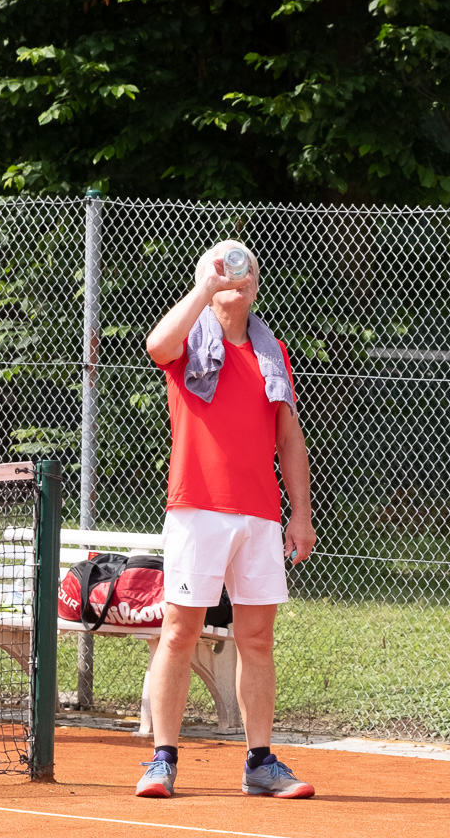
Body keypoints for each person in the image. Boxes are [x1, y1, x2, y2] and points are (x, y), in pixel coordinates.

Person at [136, 241, 317, 799]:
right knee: (179, 632)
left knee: (257, 638)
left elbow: (289, 438)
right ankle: (162, 761)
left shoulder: (273, 353)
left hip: (260, 516)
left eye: (247, 272)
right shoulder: (189, 343)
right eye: (223, 269)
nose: (237, 277)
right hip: (197, 509)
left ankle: (260, 763)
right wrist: (205, 288)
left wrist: (300, 515)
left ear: (258, 287)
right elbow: (154, 344)